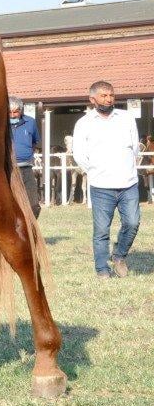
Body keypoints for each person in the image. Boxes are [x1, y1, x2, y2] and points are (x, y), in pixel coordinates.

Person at [71, 81, 141, 279]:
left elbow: (135, 147)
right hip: (101, 186)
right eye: (103, 95)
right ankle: (102, 269)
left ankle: (119, 255)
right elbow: (79, 154)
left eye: (111, 95)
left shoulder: (126, 118)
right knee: (102, 230)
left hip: (128, 183)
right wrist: (95, 171)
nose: (109, 99)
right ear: (92, 99)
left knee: (133, 223)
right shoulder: (84, 123)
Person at [9, 97, 42, 218]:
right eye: (10, 112)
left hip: (26, 169)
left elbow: (34, 143)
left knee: (33, 205)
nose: (12, 115)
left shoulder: (31, 122)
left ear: (21, 110)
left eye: (15, 112)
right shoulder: (1, 124)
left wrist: (26, 155)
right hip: (9, 170)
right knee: (12, 205)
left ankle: (31, 227)